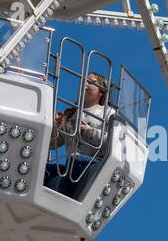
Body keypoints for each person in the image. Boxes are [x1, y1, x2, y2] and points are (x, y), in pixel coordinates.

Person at [46, 70, 116, 199]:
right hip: (71, 166)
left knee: (75, 160)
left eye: (90, 82)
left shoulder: (108, 114)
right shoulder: (71, 113)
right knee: (43, 171)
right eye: (84, 80)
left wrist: (87, 130)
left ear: (101, 91)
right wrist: (55, 127)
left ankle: (62, 202)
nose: (85, 83)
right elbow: (53, 144)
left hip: (92, 165)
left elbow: (113, 144)